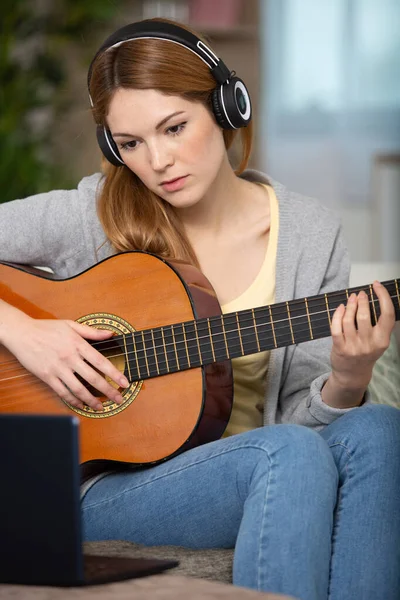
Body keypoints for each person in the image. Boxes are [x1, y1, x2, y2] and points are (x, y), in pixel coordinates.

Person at [0, 18, 399, 600]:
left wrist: (348, 377)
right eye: (131, 144)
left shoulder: (310, 233)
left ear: (226, 107)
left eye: (174, 127)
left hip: (271, 459)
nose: (157, 160)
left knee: (380, 429)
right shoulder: (93, 213)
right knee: (284, 454)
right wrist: (26, 332)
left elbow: (303, 427)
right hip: (98, 486)